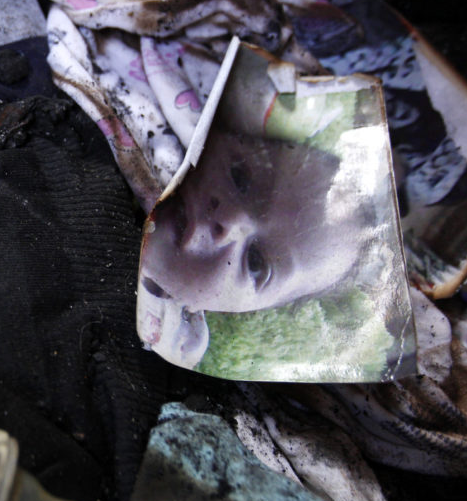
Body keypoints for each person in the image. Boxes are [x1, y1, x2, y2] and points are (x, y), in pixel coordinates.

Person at [138, 127, 368, 367]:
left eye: (255, 262)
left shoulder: (179, 344)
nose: (231, 219)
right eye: (240, 177)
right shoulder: (155, 128)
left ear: (229, 310)